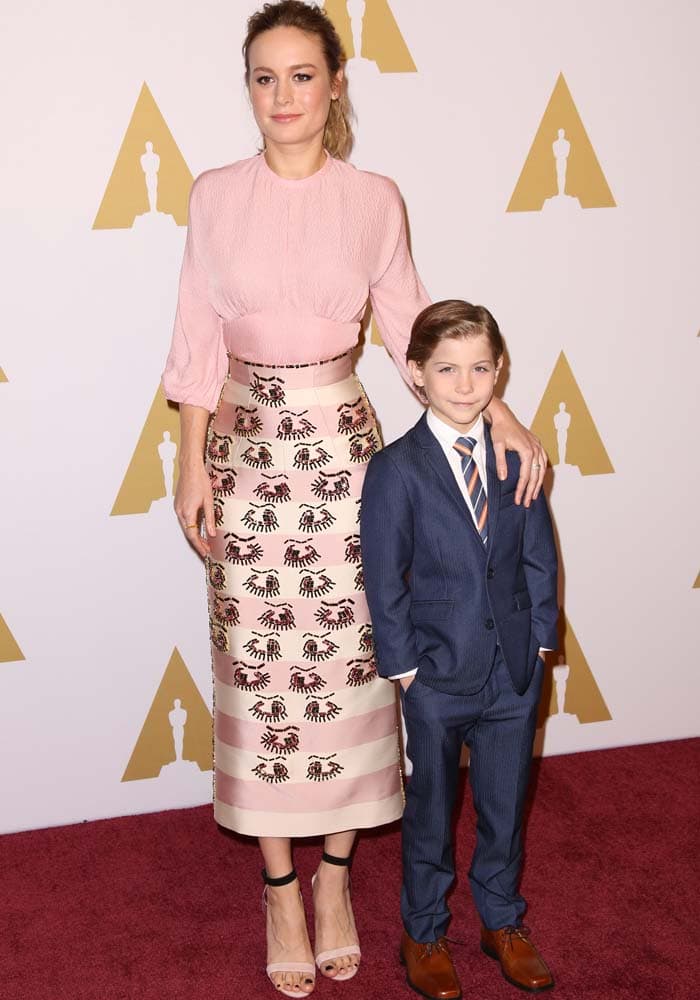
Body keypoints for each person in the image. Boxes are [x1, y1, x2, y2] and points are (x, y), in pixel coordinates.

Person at [162, 3, 546, 996]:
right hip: (246, 456)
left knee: (352, 662)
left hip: (344, 456)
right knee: (262, 673)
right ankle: (278, 886)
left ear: (336, 83)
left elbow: (415, 321)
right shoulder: (212, 196)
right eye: (262, 76)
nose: (281, 95)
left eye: (300, 75)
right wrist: (190, 460)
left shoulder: (373, 197)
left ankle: (335, 877)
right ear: (246, 86)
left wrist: (495, 411)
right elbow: (197, 340)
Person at [361, 301, 559, 999]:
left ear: (498, 370)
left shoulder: (517, 455)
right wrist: (408, 671)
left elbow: (538, 556)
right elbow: (383, 580)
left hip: (512, 672)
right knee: (431, 811)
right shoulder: (396, 469)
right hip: (436, 678)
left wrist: (539, 645)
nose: (466, 384)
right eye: (447, 369)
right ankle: (423, 931)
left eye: (480, 368)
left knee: (506, 809)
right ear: (416, 373)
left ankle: (502, 921)